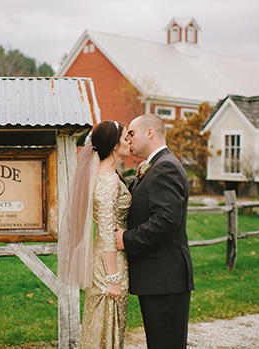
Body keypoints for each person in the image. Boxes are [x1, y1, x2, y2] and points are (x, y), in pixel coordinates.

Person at [115, 114, 194, 349]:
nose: (129, 139)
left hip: (166, 277)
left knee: (166, 343)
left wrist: (127, 240)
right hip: (158, 276)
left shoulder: (165, 166)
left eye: (132, 133)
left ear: (150, 133)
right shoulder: (154, 166)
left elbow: (167, 219)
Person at [59, 120, 132, 349]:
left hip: (105, 258)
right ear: (113, 144)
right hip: (109, 263)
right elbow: (108, 230)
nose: (130, 141)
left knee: (103, 326)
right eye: (125, 137)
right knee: (106, 327)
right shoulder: (107, 181)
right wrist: (113, 278)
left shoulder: (109, 176)